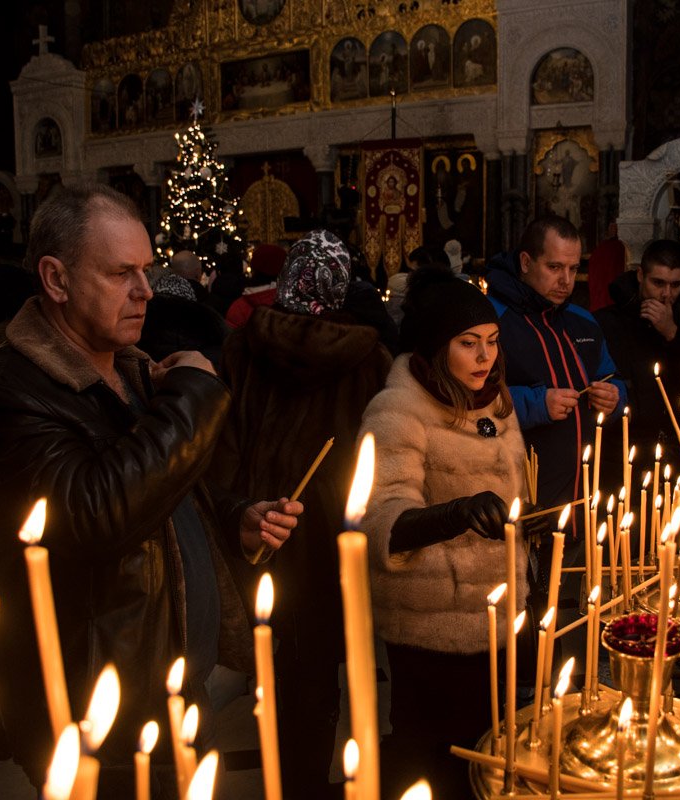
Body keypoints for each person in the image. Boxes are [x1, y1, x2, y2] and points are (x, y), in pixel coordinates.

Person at [0, 184, 302, 793]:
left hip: (172, 688)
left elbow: (158, 496)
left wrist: (231, 517)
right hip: (99, 718)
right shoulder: (6, 392)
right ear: (56, 279)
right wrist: (195, 397)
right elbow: (93, 514)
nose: (146, 290)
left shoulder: (127, 365)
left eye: (147, 270)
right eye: (122, 273)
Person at [212, 230, 392, 799]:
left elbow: (224, 451)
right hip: (339, 547)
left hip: (264, 533)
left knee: (279, 671)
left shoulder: (241, 348)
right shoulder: (369, 358)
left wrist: (240, 510)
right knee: (323, 681)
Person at [361, 267, 530, 800]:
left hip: (498, 618)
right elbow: (382, 518)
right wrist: (454, 512)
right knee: (430, 760)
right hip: (430, 631)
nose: (486, 358)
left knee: (490, 756)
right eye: (468, 344)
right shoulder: (398, 409)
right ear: (438, 348)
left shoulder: (495, 403)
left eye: (492, 342)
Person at [486, 215, 625, 520]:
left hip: (583, 500)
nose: (566, 281)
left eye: (573, 269)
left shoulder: (582, 319)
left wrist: (614, 398)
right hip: (518, 504)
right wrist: (536, 404)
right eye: (554, 267)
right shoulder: (491, 321)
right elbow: (470, 409)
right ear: (525, 262)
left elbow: (613, 378)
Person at [595, 239, 680, 485]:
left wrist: (671, 334)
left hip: (675, 452)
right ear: (640, 275)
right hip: (620, 454)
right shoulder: (606, 322)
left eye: (675, 285)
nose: (666, 294)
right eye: (658, 283)